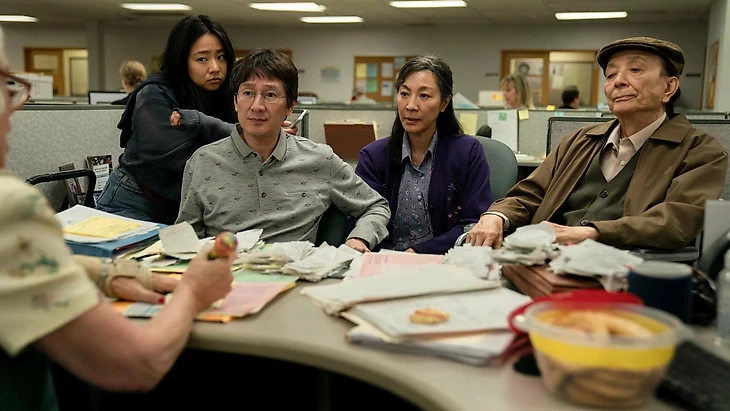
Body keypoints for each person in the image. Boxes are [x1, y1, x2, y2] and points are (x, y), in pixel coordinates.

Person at [0, 25, 236, 410]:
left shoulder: (217, 97)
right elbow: (137, 364)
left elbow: (13, 268)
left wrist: (107, 274)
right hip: (135, 202)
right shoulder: (9, 205)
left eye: (221, 57)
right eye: (5, 83)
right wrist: (194, 290)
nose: (14, 104)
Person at [467, 37, 728, 251]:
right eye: (611, 74)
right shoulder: (579, 141)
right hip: (540, 259)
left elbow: (676, 221)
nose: (618, 81)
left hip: (624, 269)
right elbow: (529, 194)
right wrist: (496, 216)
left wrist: (592, 233)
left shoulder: (700, 151)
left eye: (635, 70)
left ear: (669, 88)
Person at [176, 49, 390, 253]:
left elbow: (375, 206)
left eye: (270, 95)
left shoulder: (319, 160)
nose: (257, 106)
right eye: (248, 93)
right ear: (235, 101)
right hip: (225, 271)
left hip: (295, 272)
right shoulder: (203, 162)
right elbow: (187, 240)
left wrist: (359, 239)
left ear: (290, 106)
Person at [354, 55, 493, 254]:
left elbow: (474, 224)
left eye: (424, 96)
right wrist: (359, 240)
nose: (410, 105)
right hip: (382, 263)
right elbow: (359, 214)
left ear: (444, 103)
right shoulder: (373, 156)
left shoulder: (467, 153)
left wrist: (417, 252)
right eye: (404, 93)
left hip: (444, 261)